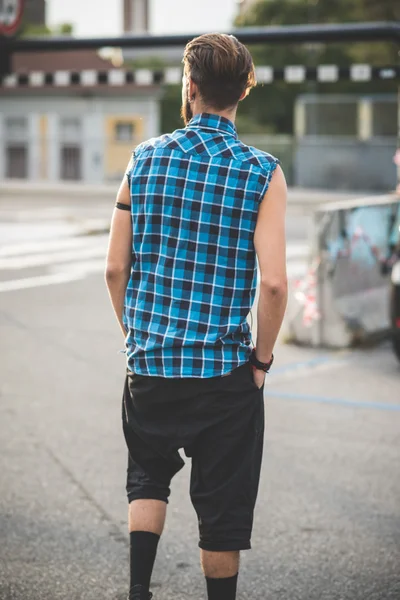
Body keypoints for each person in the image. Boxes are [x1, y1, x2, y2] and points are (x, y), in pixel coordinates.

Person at [105, 32, 288, 600]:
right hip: (223, 377)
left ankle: (139, 589)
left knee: (147, 480)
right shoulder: (263, 174)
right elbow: (276, 284)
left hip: (152, 364)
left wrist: (138, 337)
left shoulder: (144, 159)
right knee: (222, 512)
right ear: (244, 92)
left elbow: (114, 270)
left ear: (190, 86)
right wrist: (261, 361)